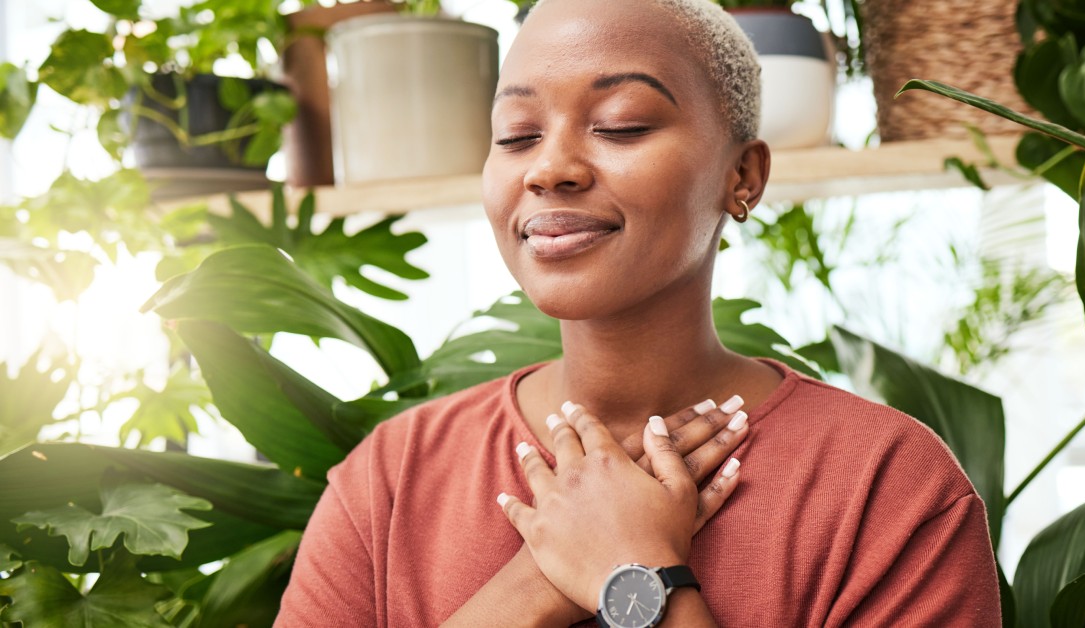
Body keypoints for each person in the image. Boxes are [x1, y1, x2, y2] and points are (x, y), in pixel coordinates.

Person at [276, 0, 1003, 625]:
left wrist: (640, 576)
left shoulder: (887, 488)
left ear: (741, 175)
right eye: (516, 135)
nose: (548, 167)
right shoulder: (393, 478)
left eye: (621, 125)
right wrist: (532, 589)